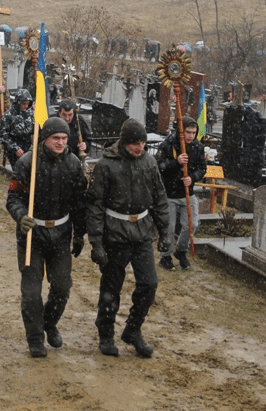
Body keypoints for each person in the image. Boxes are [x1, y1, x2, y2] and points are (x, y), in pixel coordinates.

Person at [86, 118, 170, 359]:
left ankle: (133, 330)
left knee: (149, 283)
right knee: (112, 286)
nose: (139, 147)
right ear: (124, 142)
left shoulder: (149, 163)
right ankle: (106, 333)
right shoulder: (106, 165)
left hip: (142, 232)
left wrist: (164, 232)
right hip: (115, 233)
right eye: (135, 143)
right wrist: (97, 244)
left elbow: (159, 198)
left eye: (142, 143)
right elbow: (95, 206)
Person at [6, 117, 88, 357]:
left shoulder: (73, 164)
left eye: (64, 138)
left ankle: (49, 323)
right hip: (32, 235)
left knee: (62, 286)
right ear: (45, 139)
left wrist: (79, 234)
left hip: (61, 233)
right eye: (56, 138)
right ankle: (34, 338)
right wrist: (21, 217)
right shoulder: (26, 163)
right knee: (32, 292)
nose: (61, 142)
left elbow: (80, 202)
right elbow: (14, 199)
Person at [156, 116, 206, 271]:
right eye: (188, 132)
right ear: (181, 131)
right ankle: (166, 256)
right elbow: (159, 167)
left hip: (187, 194)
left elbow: (202, 168)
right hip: (170, 194)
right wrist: (175, 162)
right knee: (169, 228)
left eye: (193, 132)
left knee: (192, 225)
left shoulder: (197, 147)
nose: (191, 136)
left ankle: (181, 251)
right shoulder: (167, 144)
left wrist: (192, 178)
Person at [1, 89, 34, 167]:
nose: (26, 106)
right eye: (24, 104)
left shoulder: (30, 114)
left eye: (28, 104)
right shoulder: (8, 116)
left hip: (28, 147)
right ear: (18, 102)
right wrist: (15, 148)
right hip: (14, 149)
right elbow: (3, 136)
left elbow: (34, 130)